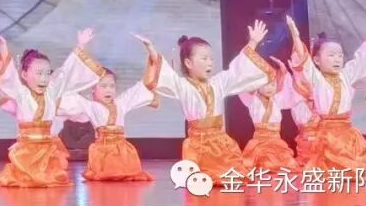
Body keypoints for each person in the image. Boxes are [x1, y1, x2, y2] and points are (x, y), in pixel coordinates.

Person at [148, 19, 272, 184]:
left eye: (211, 59)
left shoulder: (218, 82)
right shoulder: (183, 85)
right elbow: (165, 75)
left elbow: (238, 68)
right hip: (197, 146)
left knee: (233, 177)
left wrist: (253, 42)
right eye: (204, 58)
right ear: (188, 63)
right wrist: (152, 52)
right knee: (201, 179)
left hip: (221, 143)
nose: (210, 63)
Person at [0, 28, 105, 188]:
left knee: (53, 179)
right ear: (24, 75)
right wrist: (3, 47)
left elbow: (66, 72)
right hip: (26, 153)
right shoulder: (21, 93)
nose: (44, 78)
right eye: (39, 73)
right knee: (26, 180)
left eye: (47, 73)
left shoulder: (52, 92)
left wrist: (80, 45)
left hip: (47, 151)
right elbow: (9, 77)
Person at [286, 13, 366, 173]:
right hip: (326, 136)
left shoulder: (346, 75)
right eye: (331, 55)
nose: (337, 59)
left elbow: (360, 59)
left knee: (357, 174)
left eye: (340, 55)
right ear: (317, 60)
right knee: (329, 174)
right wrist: (295, 36)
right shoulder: (317, 79)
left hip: (348, 135)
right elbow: (305, 60)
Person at [57, 35, 161, 182]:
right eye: (103, 86)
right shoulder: (90, 105)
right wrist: (80, 46)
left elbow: (145, 85)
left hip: (123, 153)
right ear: (93, 89)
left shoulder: (121, 102)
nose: (108, 90)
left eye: (112, 86)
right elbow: (66, 91)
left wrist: (150, 49)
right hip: (102, 153)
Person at [239, 57, 299, 172]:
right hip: (259, 142)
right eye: (265, 84)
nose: (270, 88)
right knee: (264, 165)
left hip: (276, 142)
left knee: (288, 166)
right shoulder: (252, 100)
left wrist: (284, 73)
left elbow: (290, 94)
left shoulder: (277, 99)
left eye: (272, 84)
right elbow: (243, 85)